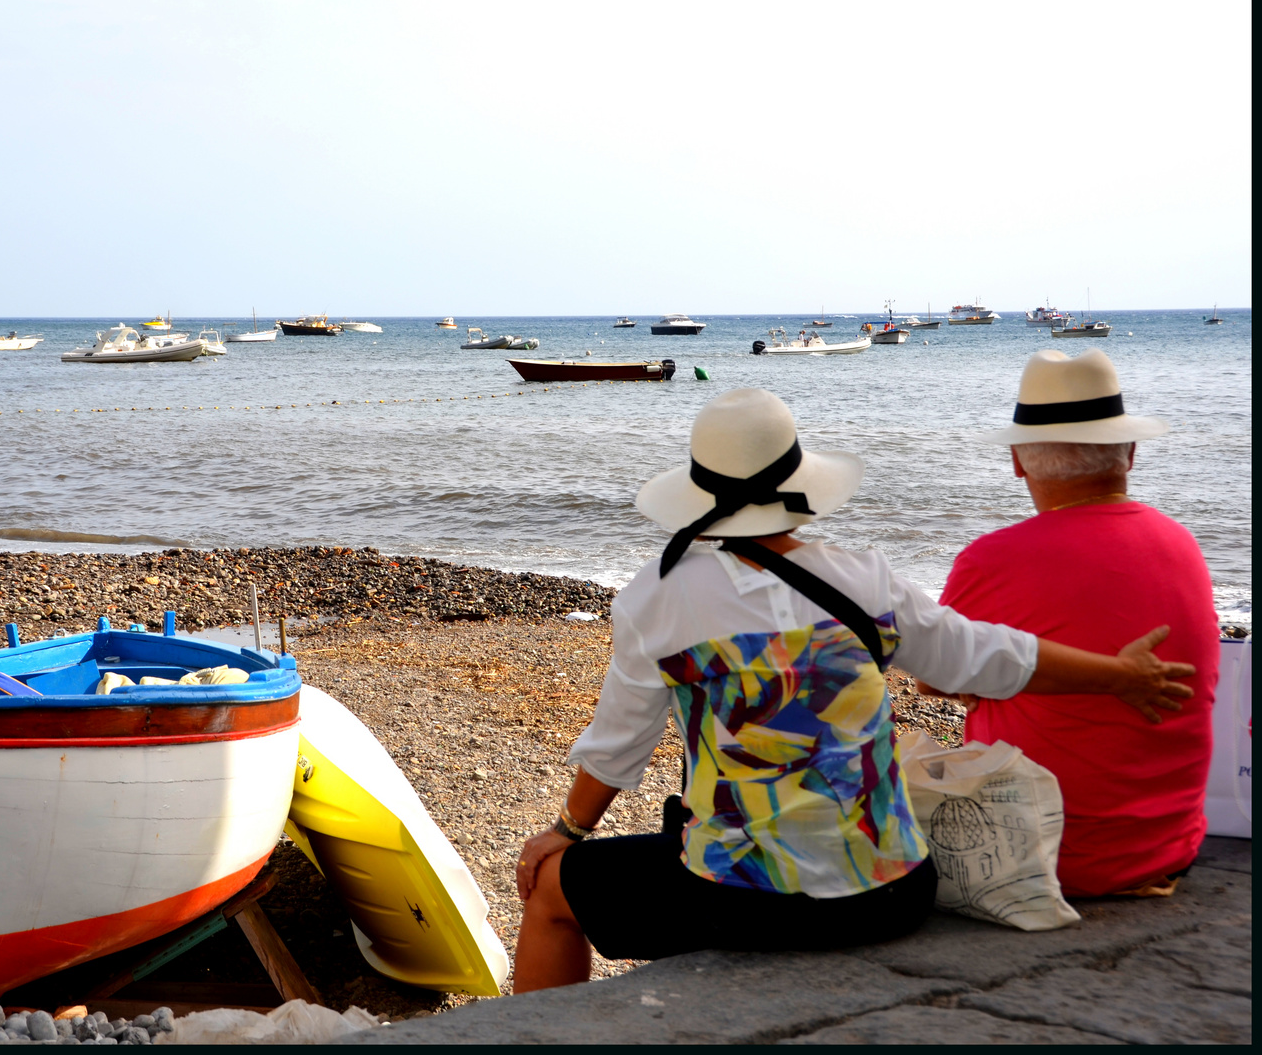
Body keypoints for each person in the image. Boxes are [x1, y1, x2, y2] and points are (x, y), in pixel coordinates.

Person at [511, 387, 1197, 993]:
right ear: (799, 488)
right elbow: (988, 657)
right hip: (891, 893)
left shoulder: (658, 599)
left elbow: (616, 750)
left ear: (703, 494)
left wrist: (565, 832)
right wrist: (1121, 677)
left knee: (551, 890)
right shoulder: (866, 582)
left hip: (744, 900)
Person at [930, 348, 1219, 897]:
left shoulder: (994, 559)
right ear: (1130, 453)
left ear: (1017, 460)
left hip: (1038, 858)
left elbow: (934, 679)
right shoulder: (1182, 545)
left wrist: (989, 682)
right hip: (1168, 849)